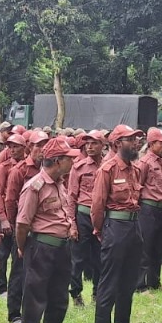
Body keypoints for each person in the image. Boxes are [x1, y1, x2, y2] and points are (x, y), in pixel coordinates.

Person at [14, 137, 80, 323]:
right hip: (41, 248)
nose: (73, 161)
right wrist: (23, 248)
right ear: (57, 160)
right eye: (68, 158)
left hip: (62, 249)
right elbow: (22, 223)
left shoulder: (59, 183)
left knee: (59, 299)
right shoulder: (35, 186)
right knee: (34, 302)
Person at [90, 125, 145, 323]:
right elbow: (97, 205)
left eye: (135, 139)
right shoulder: (108, 169)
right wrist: (101, 230)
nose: (135, 143)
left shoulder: (135, 169)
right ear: (116, 144)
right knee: (110, 280)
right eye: (130, 139)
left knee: (129, 279)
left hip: (133, 226)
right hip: (115, 226)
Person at [4, 131, 48, 323]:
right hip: (23, 229)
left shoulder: (48, 171)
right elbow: (10, 201)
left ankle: (34, 309)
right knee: (19, 271)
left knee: (38, 272)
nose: (42, 150)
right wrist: (16, 227)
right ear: (30, 148)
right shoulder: (20, 171)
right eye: (38, 146)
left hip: (41, 231)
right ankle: (14, 312)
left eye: (45, 146)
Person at [68, 130, 105, 306]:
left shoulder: (108, 166)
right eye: (87, 143)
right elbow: (71, 197)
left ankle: (98, 293)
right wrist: (72, 224)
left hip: (102, 218)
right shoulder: (79, 167)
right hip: (83, 216)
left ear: (102, 145)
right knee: (78, 258)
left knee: (100, 258)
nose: (89, 146)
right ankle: (76, 294)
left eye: (94, 143)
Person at [136, 128, 162, 293]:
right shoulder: (144, 162)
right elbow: (137, 186)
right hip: (148, 208)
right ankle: (140, 285)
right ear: (151, 144)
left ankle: (155, 282)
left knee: (159, 246)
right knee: (146, 247)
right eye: (161, 142)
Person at [0, 132, 28, 298]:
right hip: (6, 215)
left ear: (24, 148)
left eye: (16, 147)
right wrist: (3, 218)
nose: (12, 150)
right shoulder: (4, 167)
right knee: (2, 254)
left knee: (18, 256)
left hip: (22, 216)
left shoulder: (29, 166)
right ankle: (1, 287)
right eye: (10, 146)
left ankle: (17, 288)